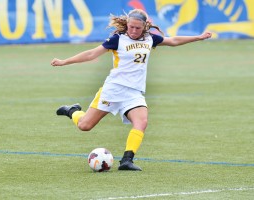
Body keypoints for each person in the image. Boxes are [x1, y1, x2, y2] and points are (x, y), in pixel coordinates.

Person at [51, 9, 212, 171]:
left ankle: (127, 160)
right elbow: (92, 54)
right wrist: (64, 61)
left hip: (134, 93)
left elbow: (174, 40)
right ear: (127, 24)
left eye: (138, 28)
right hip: (113, 90)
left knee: (141, 122)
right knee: (85, 125)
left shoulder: (150, 39)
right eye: (131, 27)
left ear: (144, 27)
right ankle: (72, 111)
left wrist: (197, 37)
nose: (134, 31)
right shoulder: (117, 39)